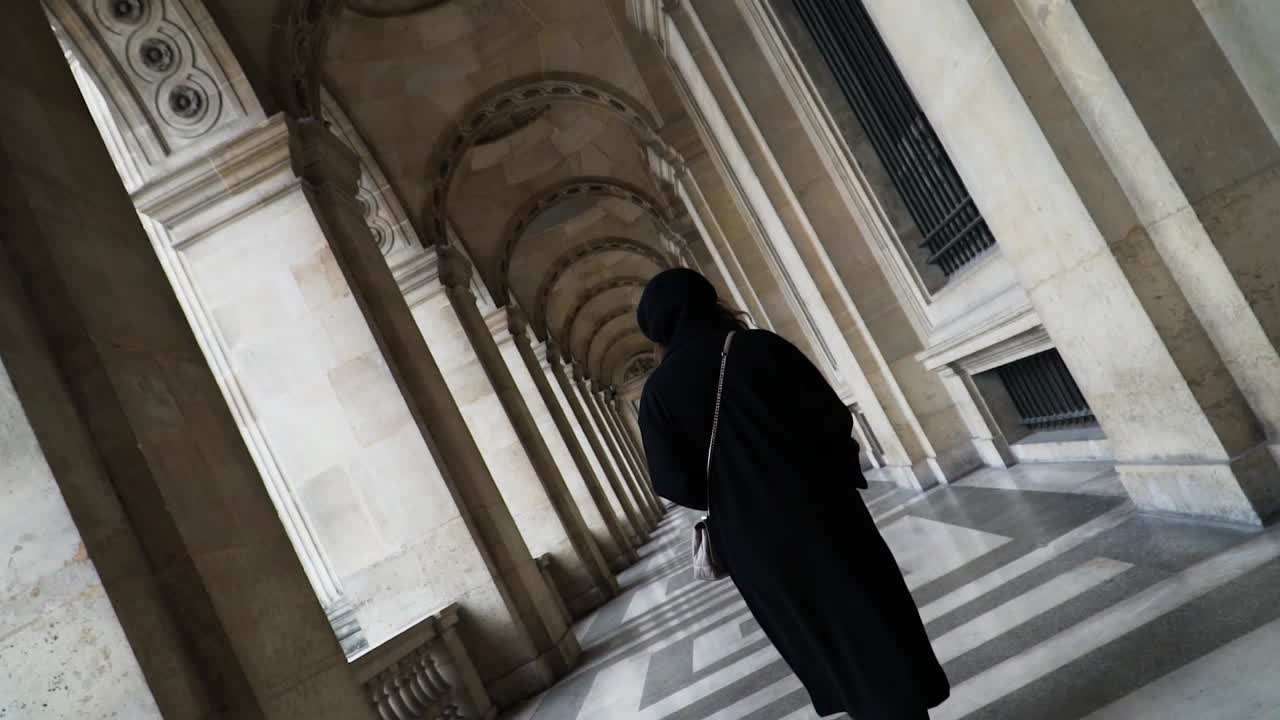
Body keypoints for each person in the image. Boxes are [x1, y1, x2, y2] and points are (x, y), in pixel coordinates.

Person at [636, 268, 950, 720]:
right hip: (825, 510)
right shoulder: (760, 347)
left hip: (754, 542)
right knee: (872, 620)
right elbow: (832, 418)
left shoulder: (659, 393)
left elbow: (671, 481)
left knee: (824, 637)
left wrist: (731, 493)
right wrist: (827, 473)